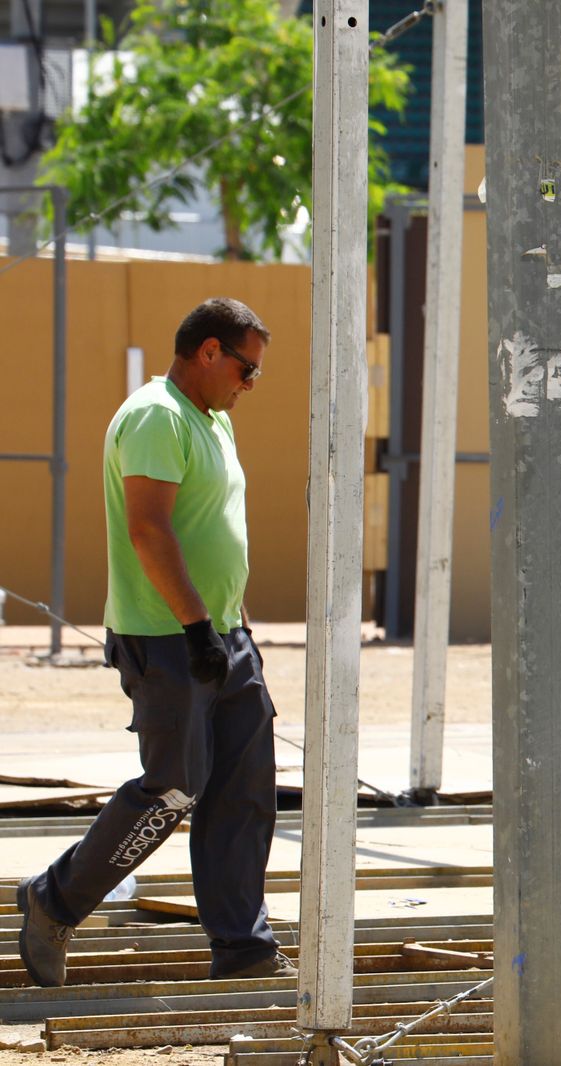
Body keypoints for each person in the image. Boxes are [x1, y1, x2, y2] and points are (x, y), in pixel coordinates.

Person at [15, 298, 292, 986]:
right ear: (207, 351)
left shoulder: (213, 420)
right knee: (172, 790)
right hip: (167, 637)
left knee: (245, 790)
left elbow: (213, 533)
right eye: (245, 368)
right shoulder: (156, 416)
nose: (249, 384)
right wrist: (197, 627)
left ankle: (242, 948)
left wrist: (238, 630)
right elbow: (150, 529)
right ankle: (54, 902)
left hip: (222, 635)